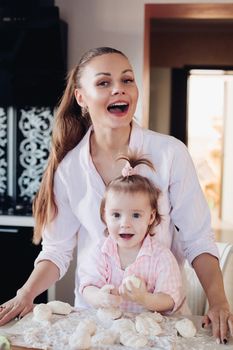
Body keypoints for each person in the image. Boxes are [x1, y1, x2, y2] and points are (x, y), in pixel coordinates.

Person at [0, 46, 232, 344]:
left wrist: (219, 301)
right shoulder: (69, 170)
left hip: (162, 325)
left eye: (127, 80)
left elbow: (197, 239)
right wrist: (26, 293)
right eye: (104, 83)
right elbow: (56, 251)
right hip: (95, 324)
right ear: (81, 97)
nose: (119, 90)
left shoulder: (169, 153)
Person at [79, 152, 185, 314]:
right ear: (104, 216)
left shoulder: (162, 257)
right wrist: (99, 297)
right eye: (116, 215)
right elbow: (87, 287)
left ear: (151, 217)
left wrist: (144, 298)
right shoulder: (100, 252)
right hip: (108, 328)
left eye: (136, 215)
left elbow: (170, 299)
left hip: (147, 332)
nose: (125, 224)